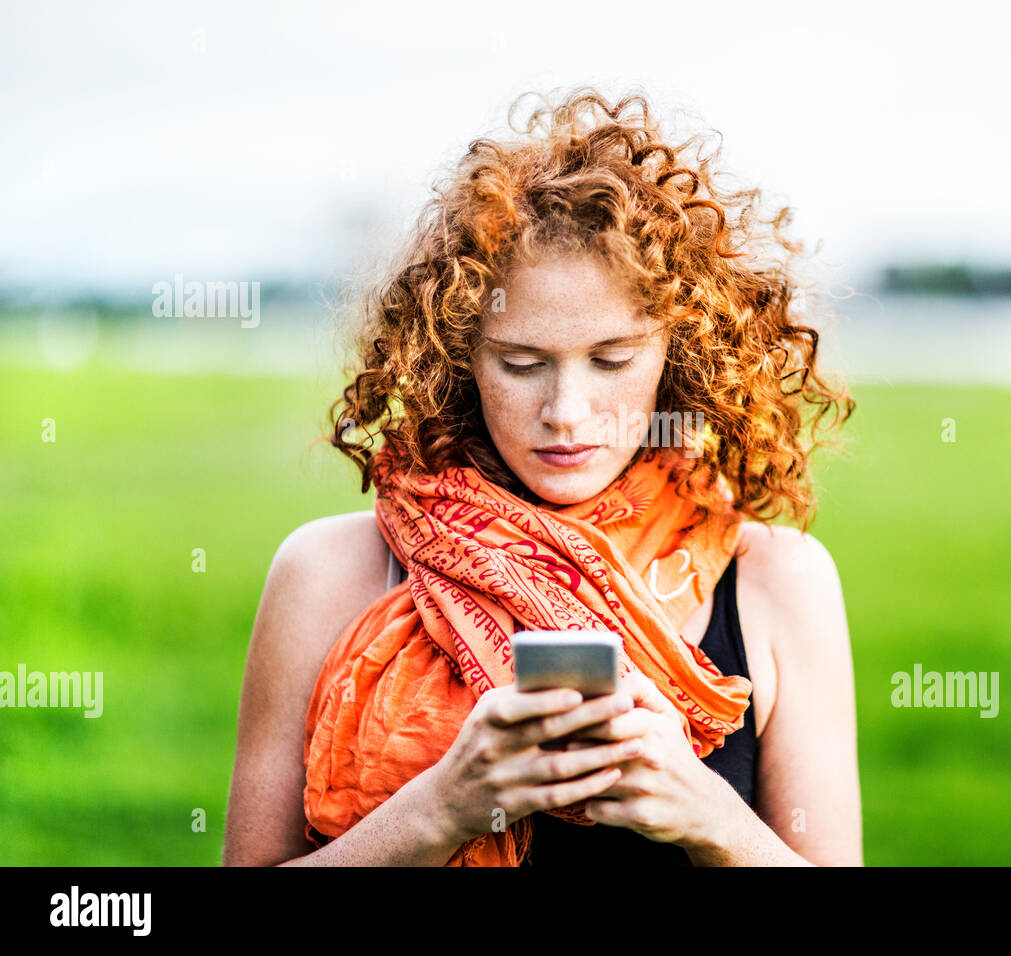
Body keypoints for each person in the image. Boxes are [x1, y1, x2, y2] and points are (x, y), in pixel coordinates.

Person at [222, 87, 861, 867]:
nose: (566, 411)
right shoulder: (324, 574)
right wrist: (443, 807)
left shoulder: (777, 581)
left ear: (679, 353)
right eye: (522, 364)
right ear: (459, 357)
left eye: (612, 360)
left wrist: (709, 818)